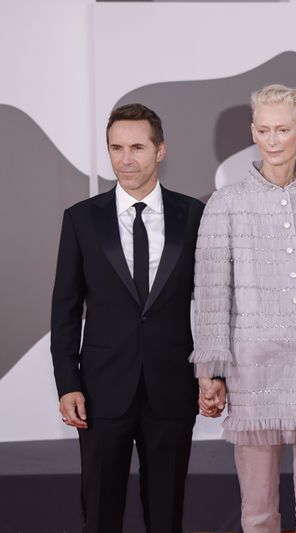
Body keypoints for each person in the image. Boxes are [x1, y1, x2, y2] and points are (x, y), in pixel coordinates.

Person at [190, 84, 296, 533]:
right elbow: (210, 294)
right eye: (263, 129)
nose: (273, 139)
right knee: (258, 510)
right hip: (253, 371)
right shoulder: (227, 203)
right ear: (252, 132)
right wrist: (210, 369)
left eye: (283, 129)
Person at [51, 103, 204, 532]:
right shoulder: (81, 220)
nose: (126, 158)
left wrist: (214, 373)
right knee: (100, 513)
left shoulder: (193, 216)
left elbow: (211, 303)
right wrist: (68, 384)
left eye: (137, 146)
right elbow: (64, 308)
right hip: (100, 390)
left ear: (160, 150)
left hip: (172, 386)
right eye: (116, 148)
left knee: (166, 514)